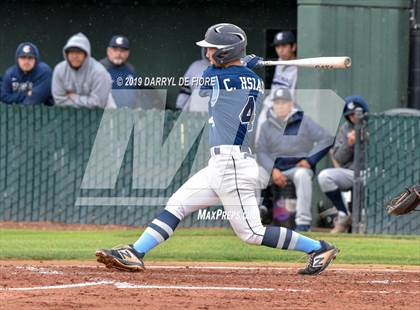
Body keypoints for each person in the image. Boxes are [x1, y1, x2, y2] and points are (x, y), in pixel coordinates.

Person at [96, 23, 339, 276]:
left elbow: (205, 81)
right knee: (177, 204)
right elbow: (229, 75)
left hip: (232, 165)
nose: (207, 54)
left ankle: (318, 248)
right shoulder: (254, 80)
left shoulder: (217, 76)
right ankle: (135, 252)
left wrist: (241, 62)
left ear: (225, 53)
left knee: (252, 233)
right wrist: (243, 64)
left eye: (212, 49)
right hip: (221, 165)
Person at [256, 88, 333, 232]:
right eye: (277, 103)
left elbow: (327, 139)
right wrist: (273, 170)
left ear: (291, 104)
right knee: (256, 174)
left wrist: (310, 160)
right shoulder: (266, 125)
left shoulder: (303, 121)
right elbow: (261, 151)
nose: (280, 106)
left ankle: (303, 223)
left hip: (297, 168)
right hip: (274, 169)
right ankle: (256, 215)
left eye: (283, 102)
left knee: (302, 175)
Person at [318, 95, 368, 233]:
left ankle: (363, 221)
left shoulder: (373, 124)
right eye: (350, 114)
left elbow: (382, 153)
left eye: (356, 113)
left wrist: (366, 141)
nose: (353, 117)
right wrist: (349, 144)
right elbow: (339, 158)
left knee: (366, 179)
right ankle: (343, 214)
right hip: (352, 172)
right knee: (325, 176)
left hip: (373, 171)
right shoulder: (345, 129)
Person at [52, 33, 116, 109]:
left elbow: (98, 104)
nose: (75, 56)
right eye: (71, 52)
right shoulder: (60, 69)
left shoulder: (99, 72)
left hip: (103, 115)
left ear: (86, 54)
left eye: (78, 53)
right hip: (70, 115)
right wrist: (86, 101)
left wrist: (74, 97)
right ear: (66, 54)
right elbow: (59, 100)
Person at [255, 31, 298, 140]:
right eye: (277, 46)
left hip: (287, 109)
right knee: (259, 140)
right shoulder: (279, 62)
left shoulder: (298, 67)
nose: (280, 50)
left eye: (284, 45)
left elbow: (293, 97)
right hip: (270, 105)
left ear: (293, 47)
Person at [100, 35, 136, 107]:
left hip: (126, 114)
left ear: (127, 53)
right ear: (109, 51)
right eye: (115, 50)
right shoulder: (99, 69)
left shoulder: (130, 70)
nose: (118, 54)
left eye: (122, 51)